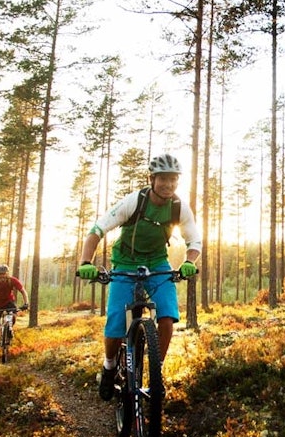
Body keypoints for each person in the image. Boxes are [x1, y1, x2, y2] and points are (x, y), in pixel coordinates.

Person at [75, 153, 200, 400]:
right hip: (125, 263)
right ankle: (110, 367)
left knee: (167, 317)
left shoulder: (179, 207)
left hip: (157, 264)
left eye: (173, 180)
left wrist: (189, 261)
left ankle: (157, 372)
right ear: (152, 179)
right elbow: (97, 230)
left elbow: (194, 240)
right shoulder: (135, 202)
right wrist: (85, 262)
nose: (168, 185)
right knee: (115, 325)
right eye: (163, 179)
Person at [0, 264, 28, 348]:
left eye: (4, 273)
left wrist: (26, 303)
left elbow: (23, 291)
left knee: (13, 316)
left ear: (7, 274)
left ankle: (9, 329)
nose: (2, 276)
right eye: (0, 274)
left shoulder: (12, 280)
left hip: (9, 302)